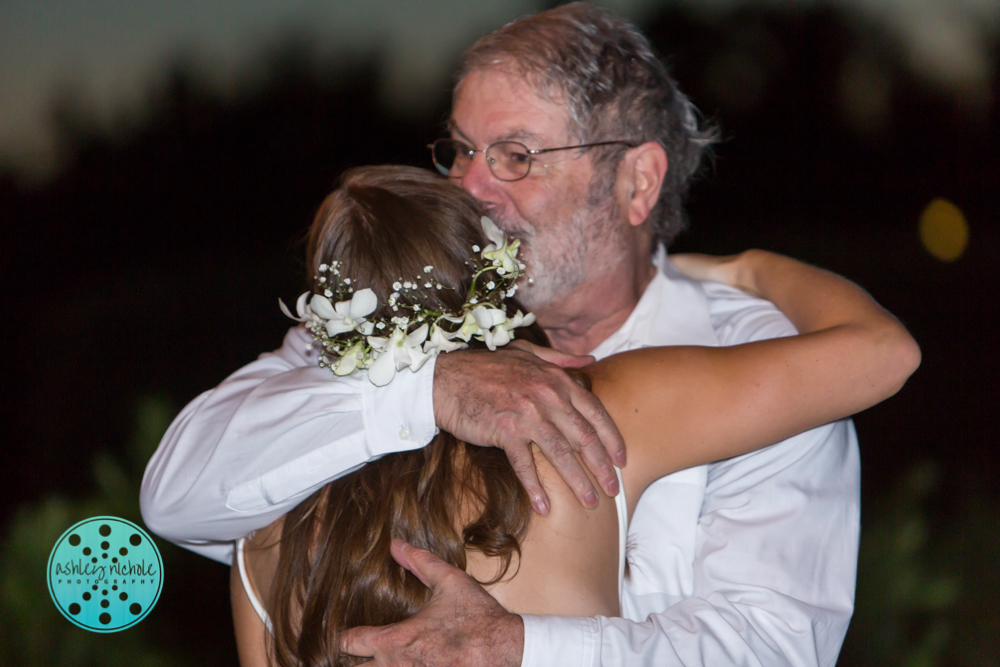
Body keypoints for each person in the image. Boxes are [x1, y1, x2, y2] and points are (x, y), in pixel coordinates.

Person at [141, 4, 918, 665]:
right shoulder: (382, 341)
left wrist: (527, 644)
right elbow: (176, 492)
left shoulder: (749, 350)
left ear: (637, 182)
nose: (471, 188)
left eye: (516, 155)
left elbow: (770, 646)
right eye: (461, 150)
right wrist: (428, 389)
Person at [226, 166, 918, 667]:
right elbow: (879, 353)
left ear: (326, 315)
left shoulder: (258, 535)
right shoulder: (597, 405)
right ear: (492, 274)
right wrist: (751, 268)